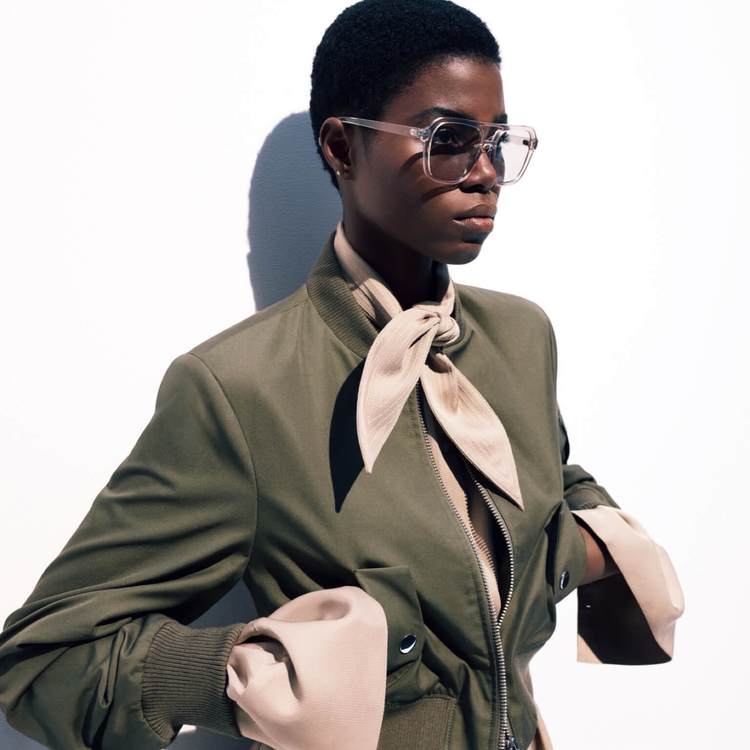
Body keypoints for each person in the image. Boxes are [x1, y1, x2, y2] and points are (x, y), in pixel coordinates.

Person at [0, 1, 684, 749]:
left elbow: (551, 480)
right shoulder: (238, 391)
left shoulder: (522, 336)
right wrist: (241, 675)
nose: (487, 172)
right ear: (341, 147)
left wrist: (580, 548)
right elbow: (39, 660)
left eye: (498, 140)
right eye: (450, 140)